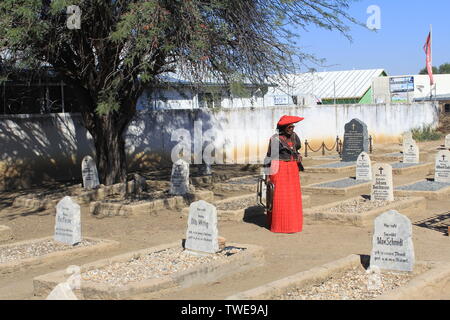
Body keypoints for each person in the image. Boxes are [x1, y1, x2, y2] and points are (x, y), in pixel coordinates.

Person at [264, 115, 304, 233]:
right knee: (279, 198)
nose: (292, 128)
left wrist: (298, 156)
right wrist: (267, 176)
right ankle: (280, 226)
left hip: (292, 169)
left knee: (292, 197)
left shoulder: (294, 136)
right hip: (279, 169)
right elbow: (270, 158)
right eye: (290, 126)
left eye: (293, 126)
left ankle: (293, 225)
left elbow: (297, 149)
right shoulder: (275, 139)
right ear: (283, 127)